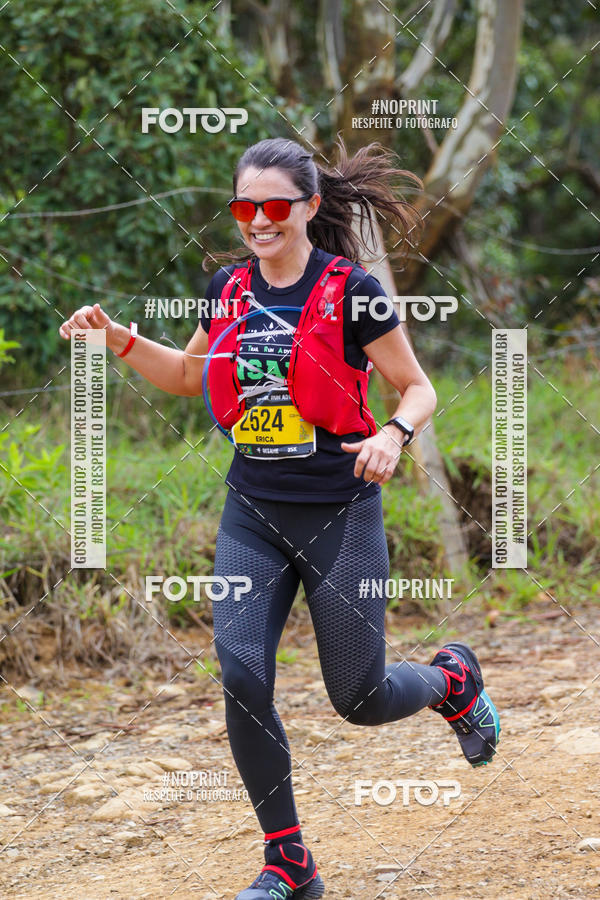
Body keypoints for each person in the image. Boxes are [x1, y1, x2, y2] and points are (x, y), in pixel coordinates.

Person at [59, 137, 500, 900]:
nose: (258, 221)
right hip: (253, 514)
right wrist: (117, 338)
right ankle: (288, 862)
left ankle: (451, 680)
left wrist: (394, 436)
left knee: (358, 699)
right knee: (241, 676)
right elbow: (187, 375)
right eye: (245, 207)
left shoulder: (352, 291)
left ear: (309, 206)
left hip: (341, 514)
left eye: (274, 206)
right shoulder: (228, 288)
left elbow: (417, 387)